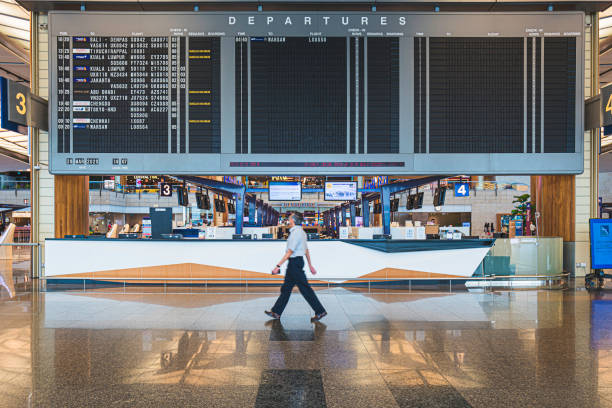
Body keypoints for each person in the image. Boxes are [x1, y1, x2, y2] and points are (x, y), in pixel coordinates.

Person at [265, 211, 327, 322]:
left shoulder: (296, 233)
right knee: (286, 289)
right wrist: (310, 264)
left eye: (289, 219)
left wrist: (277, 266)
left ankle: (320, 311)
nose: (288, 220)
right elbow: (306, 250)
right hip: (296, 262)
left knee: (305, 289)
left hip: (295, 263)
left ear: (293, 220)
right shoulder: (301, 232)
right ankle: (276, 312)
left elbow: (290, 251)